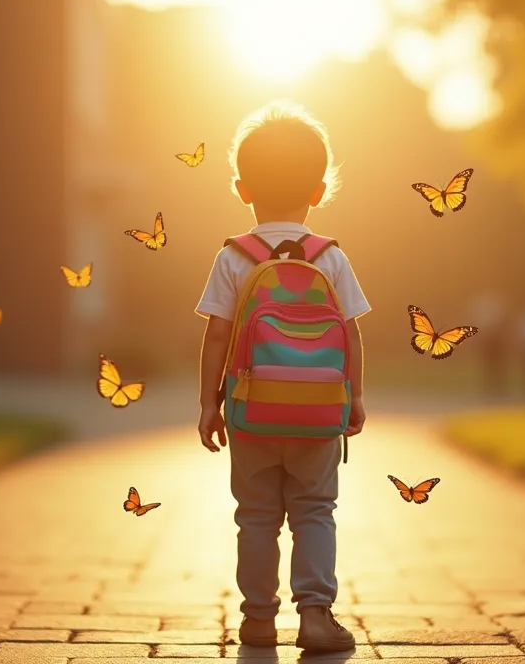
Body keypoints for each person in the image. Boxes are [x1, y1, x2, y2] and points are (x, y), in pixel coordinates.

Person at [194, 100, 369, 653]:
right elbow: (351, 335)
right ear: (319, 191)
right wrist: (354, 399)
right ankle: (316, 616)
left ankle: (258, 619)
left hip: (252, 409)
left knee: (256, 516)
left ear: (242, 189)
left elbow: (217, 336)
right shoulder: (330, 258)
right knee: (315, 511)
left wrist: (209, 403)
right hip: (318, 414)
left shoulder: (233, 257)